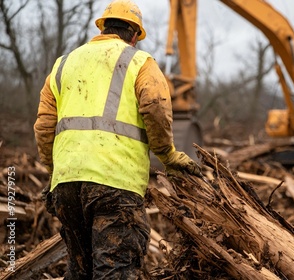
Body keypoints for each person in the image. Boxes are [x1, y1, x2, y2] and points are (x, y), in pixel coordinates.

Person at [34, 0, 202, 278]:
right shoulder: (140, 62)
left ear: (102, 28)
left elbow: (44, 126)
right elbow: (156, 106)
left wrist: (54, 173)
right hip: (116, 186)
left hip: (66, 186)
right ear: (135, 34)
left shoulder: (63, 64)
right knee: (114, 271)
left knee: (80, 271)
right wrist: (167, 155)